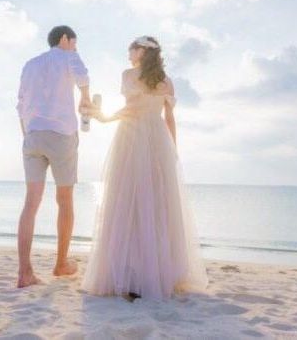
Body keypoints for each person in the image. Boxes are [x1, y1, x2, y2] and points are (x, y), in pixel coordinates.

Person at [82, 35, 207, 300]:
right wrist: (173, 150)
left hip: (133, 137)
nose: (128, 54)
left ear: (141, 51)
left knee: (128, 200)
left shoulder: (129, 75)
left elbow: (131, 109)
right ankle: (155, 273)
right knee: (155, 203)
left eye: (131, 49)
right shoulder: (166, 81)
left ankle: (132, 273)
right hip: (156, 138)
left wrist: (104, 118)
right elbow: (168, 118)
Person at [16, 25, 91, 288]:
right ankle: (60, 264)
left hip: (32, 135)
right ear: (65, 39)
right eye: (74, 42)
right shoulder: (68, 55)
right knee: (65, 200)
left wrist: (27, 133)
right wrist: (85, 98)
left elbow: (20, 104)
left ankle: (24, 273)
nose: (75, 47)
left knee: (30, 203)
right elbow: (83, 77)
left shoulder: (30, 64)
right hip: (61, 134)